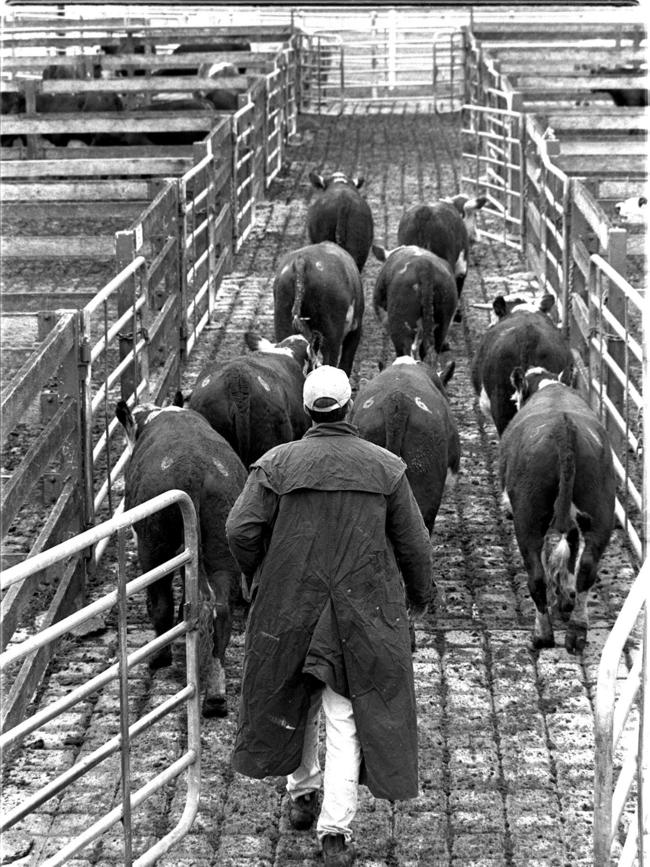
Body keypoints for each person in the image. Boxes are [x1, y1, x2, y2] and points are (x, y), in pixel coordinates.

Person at [225, 365, 433, 867]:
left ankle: (302, 794)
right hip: (360, 606)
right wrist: (420, 597)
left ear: (306, 408)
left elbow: (238, 529)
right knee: (345, 716)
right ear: (349, 405)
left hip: (290, 601)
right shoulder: (386, 467)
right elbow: (414, 545)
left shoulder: (276, 465)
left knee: (295, 698)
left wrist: (258, 574)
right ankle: (335, 831)